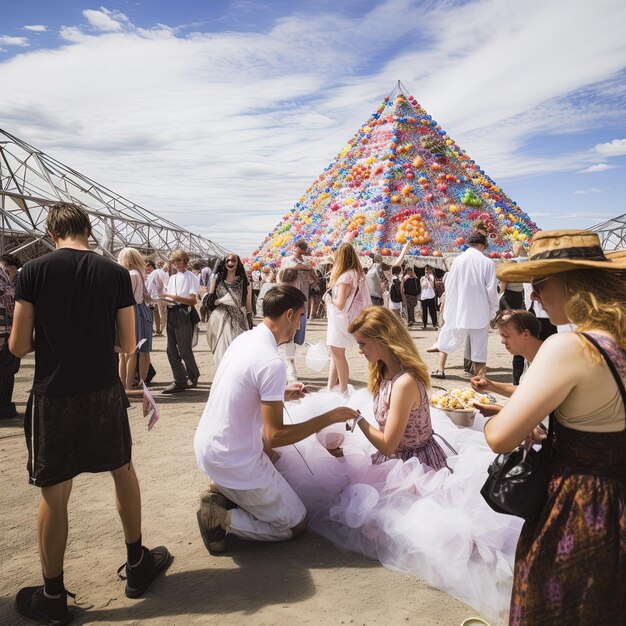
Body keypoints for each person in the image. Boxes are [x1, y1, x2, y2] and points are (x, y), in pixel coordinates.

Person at [9, 202, 170, 625]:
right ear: (87, 229)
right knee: (122, 470)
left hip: (53, 394)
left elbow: (19, 346)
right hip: (102, 392)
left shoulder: (33, 272)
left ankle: (52, 594)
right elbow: (128, 343)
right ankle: (137, 564)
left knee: (55, 492)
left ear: (51, 232)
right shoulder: (114, 273)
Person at [483, 230, 626, 625]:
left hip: (582, 511)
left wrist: (506, 417)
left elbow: (500, 437)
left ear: (571, 282)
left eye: (540, 283)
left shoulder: (569, 346)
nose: (535, 295)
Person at [194, 284, 357, 553]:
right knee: (295, 524)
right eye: (301, 316)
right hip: (231, 456)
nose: (300, 324)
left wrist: (280, 394)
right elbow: (276, 436)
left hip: (209, 445)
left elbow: (246, 387)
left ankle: (224, 491)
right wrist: (328, 417)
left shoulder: (246, 339)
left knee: (274, 461)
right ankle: (223, 520)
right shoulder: (271, 361)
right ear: (290, 315)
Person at [349, 306, 448, 468]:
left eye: (362, 344)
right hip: (395, 460)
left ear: (381, 339)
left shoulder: (404, 383)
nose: (360, 351)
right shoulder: (383, 371)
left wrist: (358, 419)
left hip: (414, 467)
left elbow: (388, 446)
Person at [431, 232, 499, 379]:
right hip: (480, 310)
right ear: (481, 245)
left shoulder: (457, 261)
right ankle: (480, 379)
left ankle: (440, 368)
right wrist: (493, 312)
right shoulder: (488, 263)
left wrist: (449, 307)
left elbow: (450, 285)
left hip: (459, 309)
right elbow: (491, 290)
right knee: (480, 348)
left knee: (449, 335)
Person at [471, 309, 543, 411]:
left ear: (526, 334)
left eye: (506, 336)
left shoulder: (546, 361)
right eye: (501, 336)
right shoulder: (531, 358)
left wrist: (499, 411)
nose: (502, 341)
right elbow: (526, 391)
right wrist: (490, 385)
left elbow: (536, 401)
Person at [324, 243, 370, 394]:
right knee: (335, 355)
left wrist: (329, 299)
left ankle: (343, 391)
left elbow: (341, 304)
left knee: (338, 355)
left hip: (339, 319)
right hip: (346, 319)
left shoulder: (344, 277)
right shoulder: (356, 274)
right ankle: (331, 388)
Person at [161, 249, 201, 394]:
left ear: (184, 262)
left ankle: (193, 375)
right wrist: (163, 299)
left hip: (184, 313)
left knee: (184, 350)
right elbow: (170, 298)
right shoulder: (172, 278)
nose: (175, 263)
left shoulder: (191, 277)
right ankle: (180, 379)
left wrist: (172, 297)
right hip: (172, 312)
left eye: (178, 260)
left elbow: (192, 300)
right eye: (173, 260)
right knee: (170, 350)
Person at [204, 253, 253, 368]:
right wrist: (219, 301)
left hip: (238, 319)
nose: (230, 263)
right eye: (228, 261)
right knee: (221, 351)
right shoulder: (217, 280)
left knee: (237, 349)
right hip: (219, 318)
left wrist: (249, 321)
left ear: (238, 263)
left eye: (233, 260)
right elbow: (210, 301)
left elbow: (248, 303)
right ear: (224, 263)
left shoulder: (244, 282)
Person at [280, 240, 318, 379]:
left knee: (299, 338)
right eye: (302, 247)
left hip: (303, 303)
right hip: (289, 303)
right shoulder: (287, 260)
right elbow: (282, 278)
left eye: (305, 247)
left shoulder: (307, 264)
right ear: (295, 247)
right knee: (289, 335)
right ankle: (290, 363)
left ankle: (290, 361)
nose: (304, 250)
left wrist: (313, 275)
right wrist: (298, 268)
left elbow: (313, 284)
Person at [117, 248, 152, 391]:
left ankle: (126, 386)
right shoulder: (139, 273)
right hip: (141, 310)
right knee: (142, 351)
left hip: (131, 311)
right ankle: (138, 383)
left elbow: (127, 296)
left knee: (127, 352)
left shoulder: (130, 274)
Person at [0, 253, 22, 419]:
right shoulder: (6, 281)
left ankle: (5, 406)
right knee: (6, 371)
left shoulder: (11, 281)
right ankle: (4, 406)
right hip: (5, 334)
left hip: (7, 334)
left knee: (7, 372)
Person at [419, 264, 438, 330]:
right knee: (424, 311)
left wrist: (429, 277)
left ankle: (434, 323)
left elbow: (432, 284)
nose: (426, 271)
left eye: (427, 269)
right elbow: (422, 286)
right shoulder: (422, 278)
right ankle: (424, 324)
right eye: (425, 270)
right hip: (424, 297)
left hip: (431, 296)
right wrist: (425, 283)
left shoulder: (431, 276)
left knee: (432, 311)